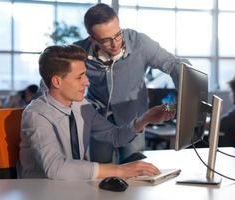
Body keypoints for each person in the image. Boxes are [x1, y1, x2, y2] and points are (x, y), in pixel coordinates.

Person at [18, 44, 176, 180]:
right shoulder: (36, 114)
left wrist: (145, 119)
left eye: (85, 75)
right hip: (41, 191)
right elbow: (56, 168)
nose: (87, 82)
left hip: (74, 187)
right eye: (80, 77)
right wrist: (119, 170)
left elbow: (115, 136)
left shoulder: (81, 106)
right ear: (57, 81)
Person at [74, 3, 190, 163]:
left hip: (134, 119)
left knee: (135, 169)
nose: (115, 44)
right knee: (100, 171)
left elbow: (172, 64)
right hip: (98, 121)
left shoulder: (140, 42)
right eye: (106, 40)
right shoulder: (79, 51)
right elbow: (53, 77)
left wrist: (188, 86)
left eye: (117, 35)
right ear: (92, 38)